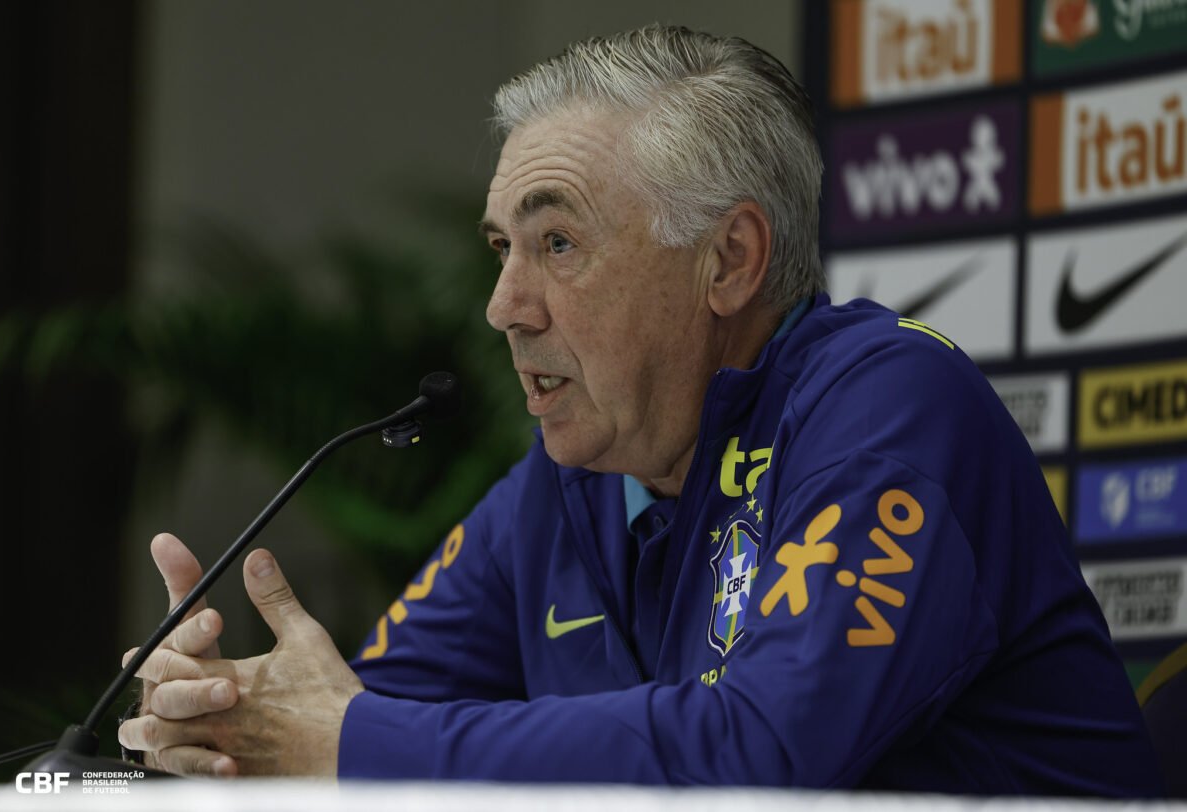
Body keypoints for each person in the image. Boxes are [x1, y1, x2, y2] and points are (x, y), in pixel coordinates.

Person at [117, 25, 1163, 794]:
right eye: (501, 248)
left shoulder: (887, 409)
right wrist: (223, 713)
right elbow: (364, 716)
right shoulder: (563, 485)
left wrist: (338, 738)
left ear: (730, 259)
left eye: (558, 243)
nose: (502, 306)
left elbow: (766, 754)